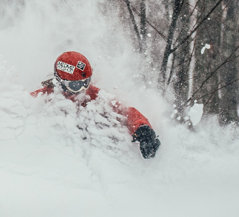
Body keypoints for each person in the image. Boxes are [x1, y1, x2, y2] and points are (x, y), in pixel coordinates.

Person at [31, 51, 161, 159]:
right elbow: (22, 107)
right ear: (61, 83)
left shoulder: (95, 96)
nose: (82, 90)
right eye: (76, 86)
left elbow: (125, 112)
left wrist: (142, 127)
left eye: (86, 83)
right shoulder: (44, 98)